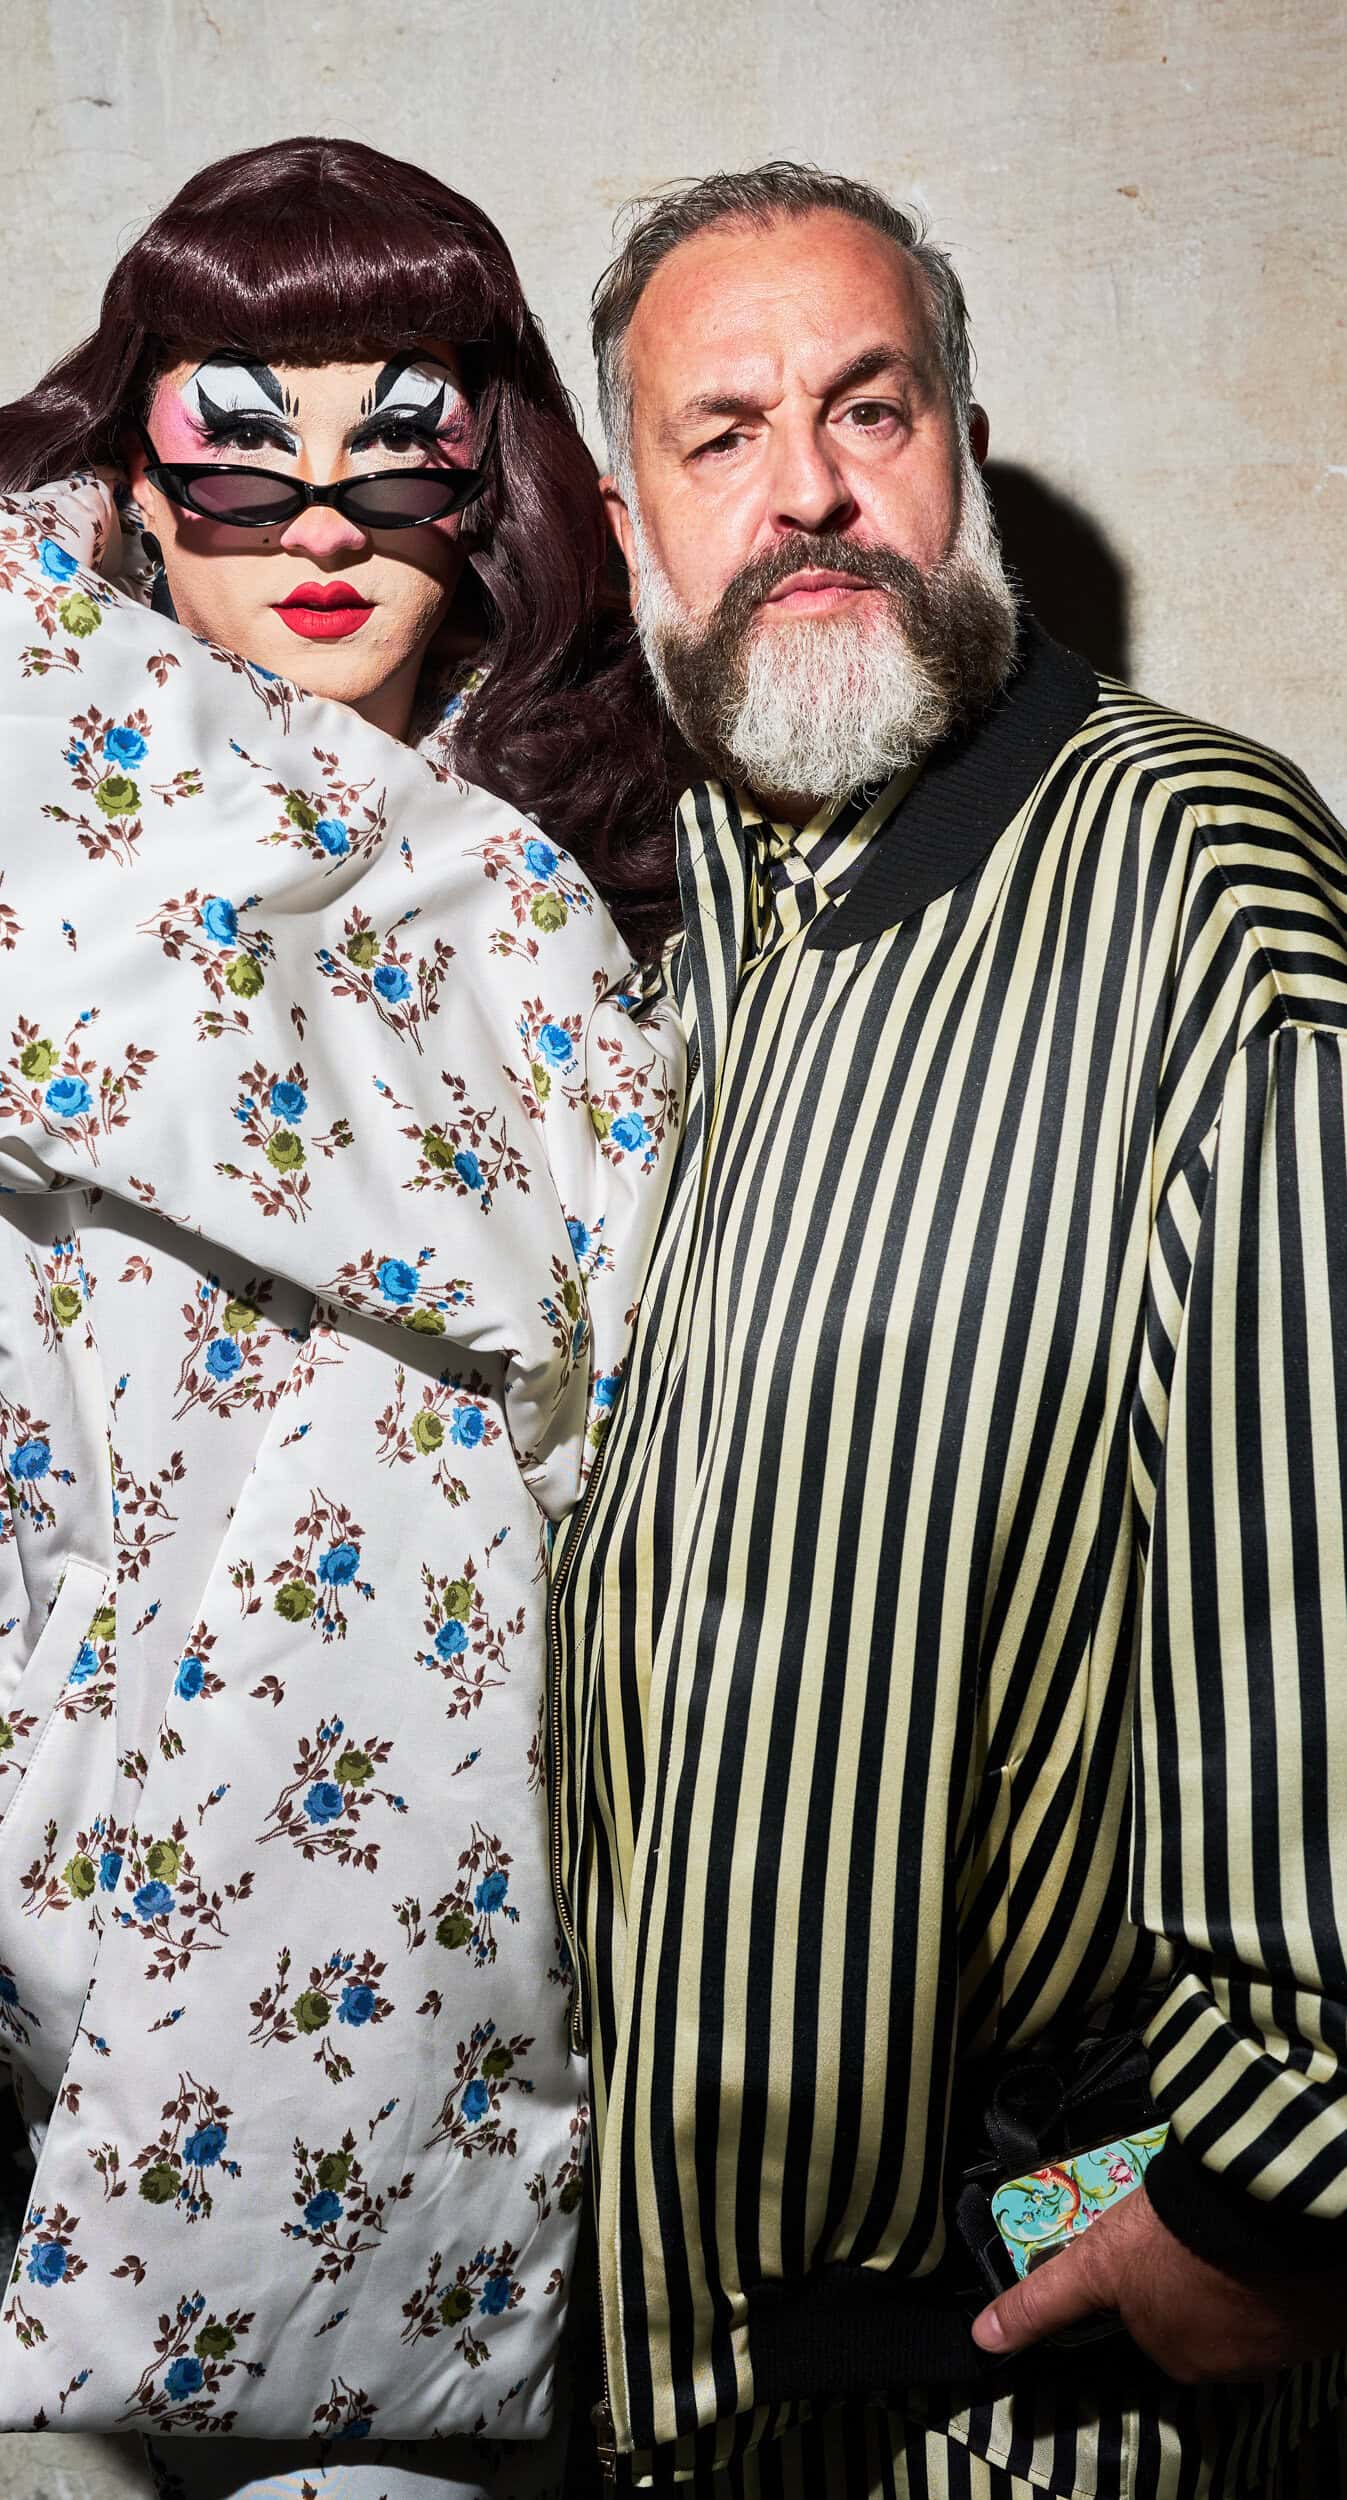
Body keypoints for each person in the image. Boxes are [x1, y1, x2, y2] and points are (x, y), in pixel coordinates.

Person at [0, 138, 682, 2500]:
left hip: (609, 1950)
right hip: (135, 1913)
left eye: (400, 447)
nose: (320, 520)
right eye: (240, 447)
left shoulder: (591, 895)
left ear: (491, 486)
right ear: (129, 480)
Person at [551, 162, 1347, 2496]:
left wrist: (1284, 2201)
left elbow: (1325, 1574)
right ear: (631, 526)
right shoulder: (653, 927)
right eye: (723, 435)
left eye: (867, 409)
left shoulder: (1201, 879)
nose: (805, 488)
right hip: (668, 2384)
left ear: (963, 455)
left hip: (1038, 2381)